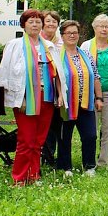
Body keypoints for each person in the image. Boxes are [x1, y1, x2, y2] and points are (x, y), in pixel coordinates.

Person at [0, 9, 66, 185]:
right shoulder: (15, 45)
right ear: (24, 25)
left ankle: (34, 174)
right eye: (31, 21)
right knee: (26, 140)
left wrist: (60, 94)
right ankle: (19, 177)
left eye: (38, 21)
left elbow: (58, 73)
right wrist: (14, 99)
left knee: (39, 140)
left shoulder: (49, 47)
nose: (35, 25)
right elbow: (5, 72)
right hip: (25, 98)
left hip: (47, 97)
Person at [56, 20, 103, 176]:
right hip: (66, 104)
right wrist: (60, 96)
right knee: (64, 137)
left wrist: (99, 98)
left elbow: (95, 76)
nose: (72, 35)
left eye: (75, 32)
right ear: (62, 35)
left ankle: (89, 166)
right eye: (68, 33)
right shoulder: (56, 54)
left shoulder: (86, 54)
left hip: (86, 103)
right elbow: (54, 77)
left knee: (90, 135)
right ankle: (66, 167)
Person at [81, 14, 108, 167]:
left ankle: (104, 161)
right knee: (91, 130)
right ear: (94, 28)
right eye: (101, 26)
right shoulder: (85, 46)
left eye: (107, 26)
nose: (104, 29)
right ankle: (89, 159)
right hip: (90, 94)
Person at [40, 10, 63, 167]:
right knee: (42, 124)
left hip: (57, 88)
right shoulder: (36, 41)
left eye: (54, 21)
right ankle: (40, 156)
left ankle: (50, 156)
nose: (51, 24)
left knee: (55, 124)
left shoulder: (60, 43)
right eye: (48, 21)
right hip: (41, 89)